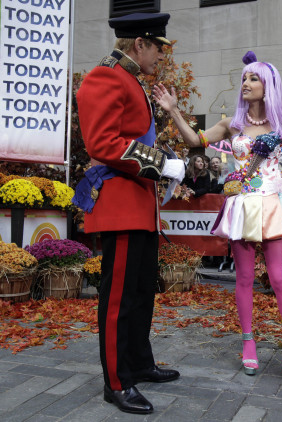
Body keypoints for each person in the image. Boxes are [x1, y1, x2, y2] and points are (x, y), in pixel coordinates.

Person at [153, 50, 282, 383]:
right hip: (242, 207)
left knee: (278, 278)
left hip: (272, 206)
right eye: (244, 78)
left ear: (268, 84)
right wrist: (173, 112)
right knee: (243, 279)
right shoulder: (233, 124)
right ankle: (248, 344)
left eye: (253, 78)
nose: (246, 83)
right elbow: (195, 140)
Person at [73, 12, 185, 415]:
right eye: (158, 47)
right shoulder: (105, 77)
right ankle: (116, 382)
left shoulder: (131, 79)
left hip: (140, 204)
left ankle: (138, 363)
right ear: (139, 43)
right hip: (121, 205)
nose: (161, 55)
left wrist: (166, 163)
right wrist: (160, 163)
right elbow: (103, 142)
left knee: (140, 293)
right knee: (118, 299)